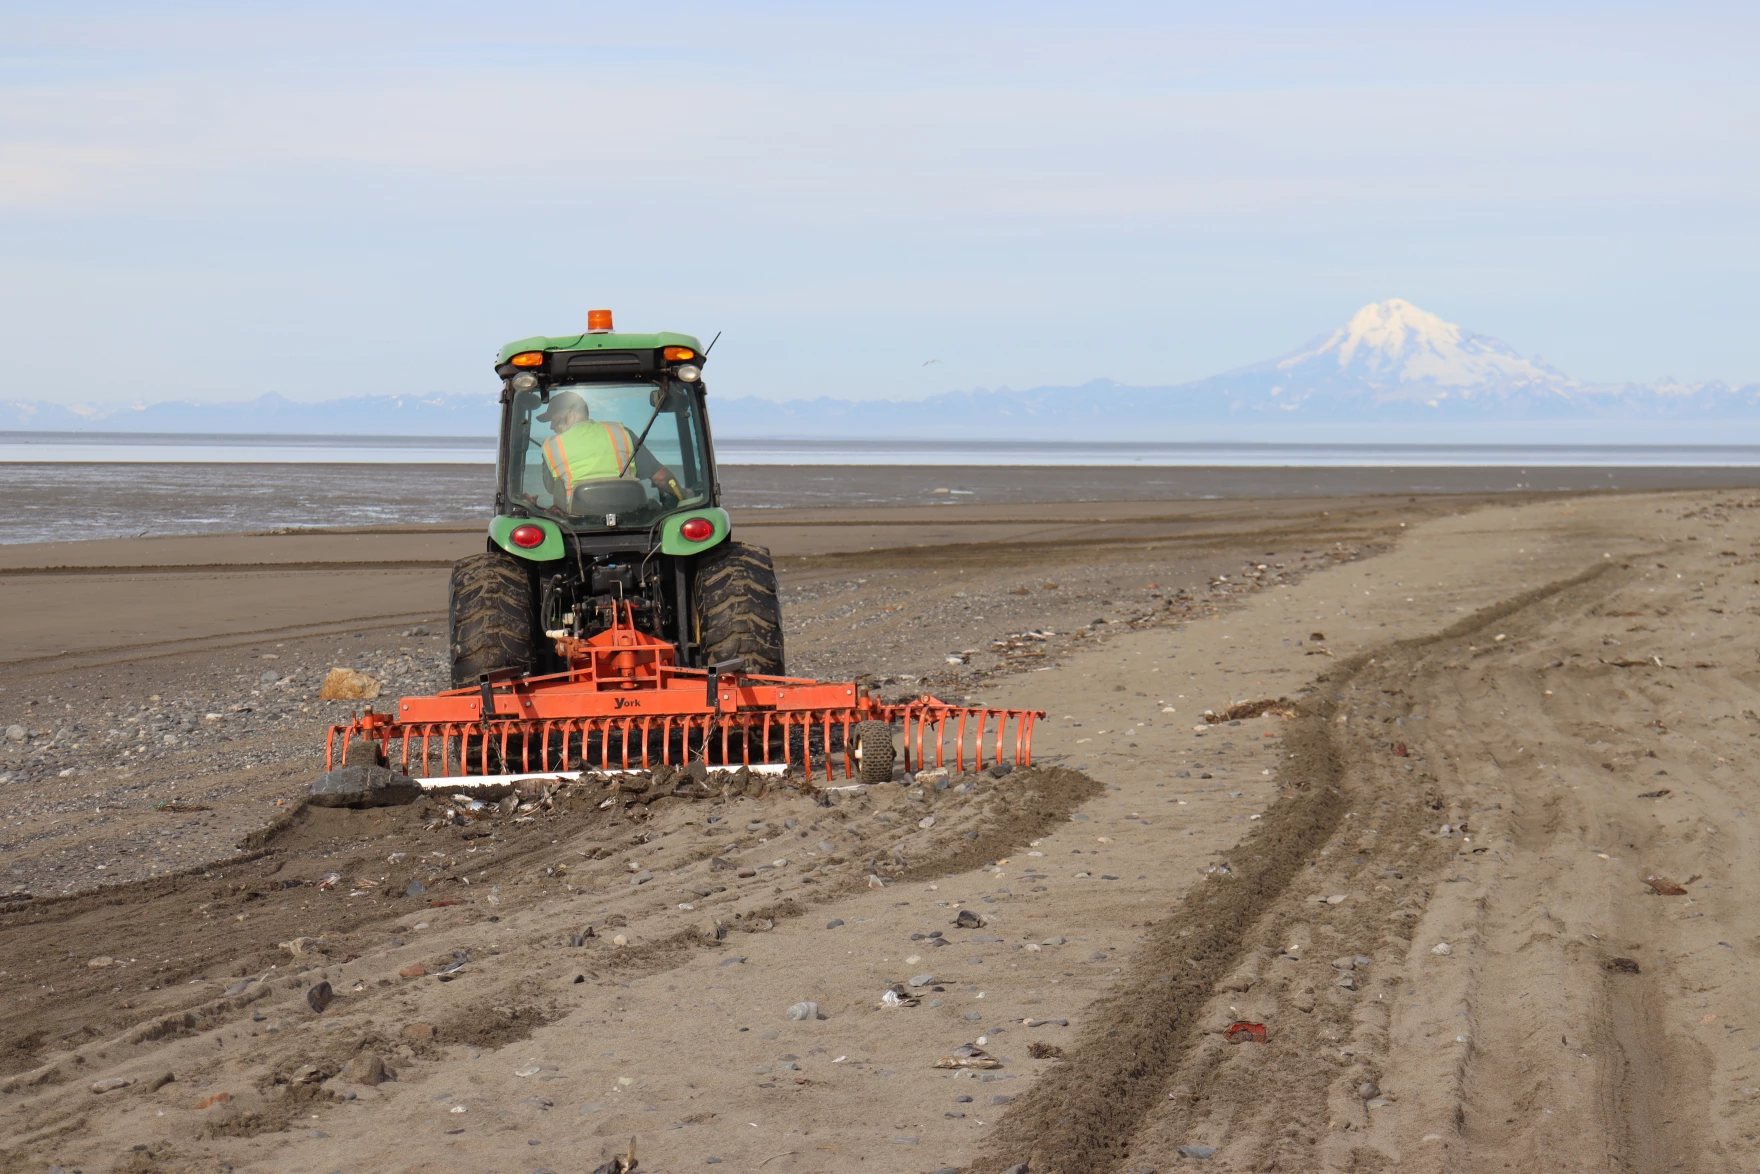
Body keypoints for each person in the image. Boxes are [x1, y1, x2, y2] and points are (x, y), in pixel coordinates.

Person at [536, 390, 682, 508]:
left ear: (569, 415)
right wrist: (683, 494)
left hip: (576, 522)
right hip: (632, 518)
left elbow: (551, 489)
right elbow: (662, 478)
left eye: (553, 419)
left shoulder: (551, 447)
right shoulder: (620, 432)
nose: (551, 427)